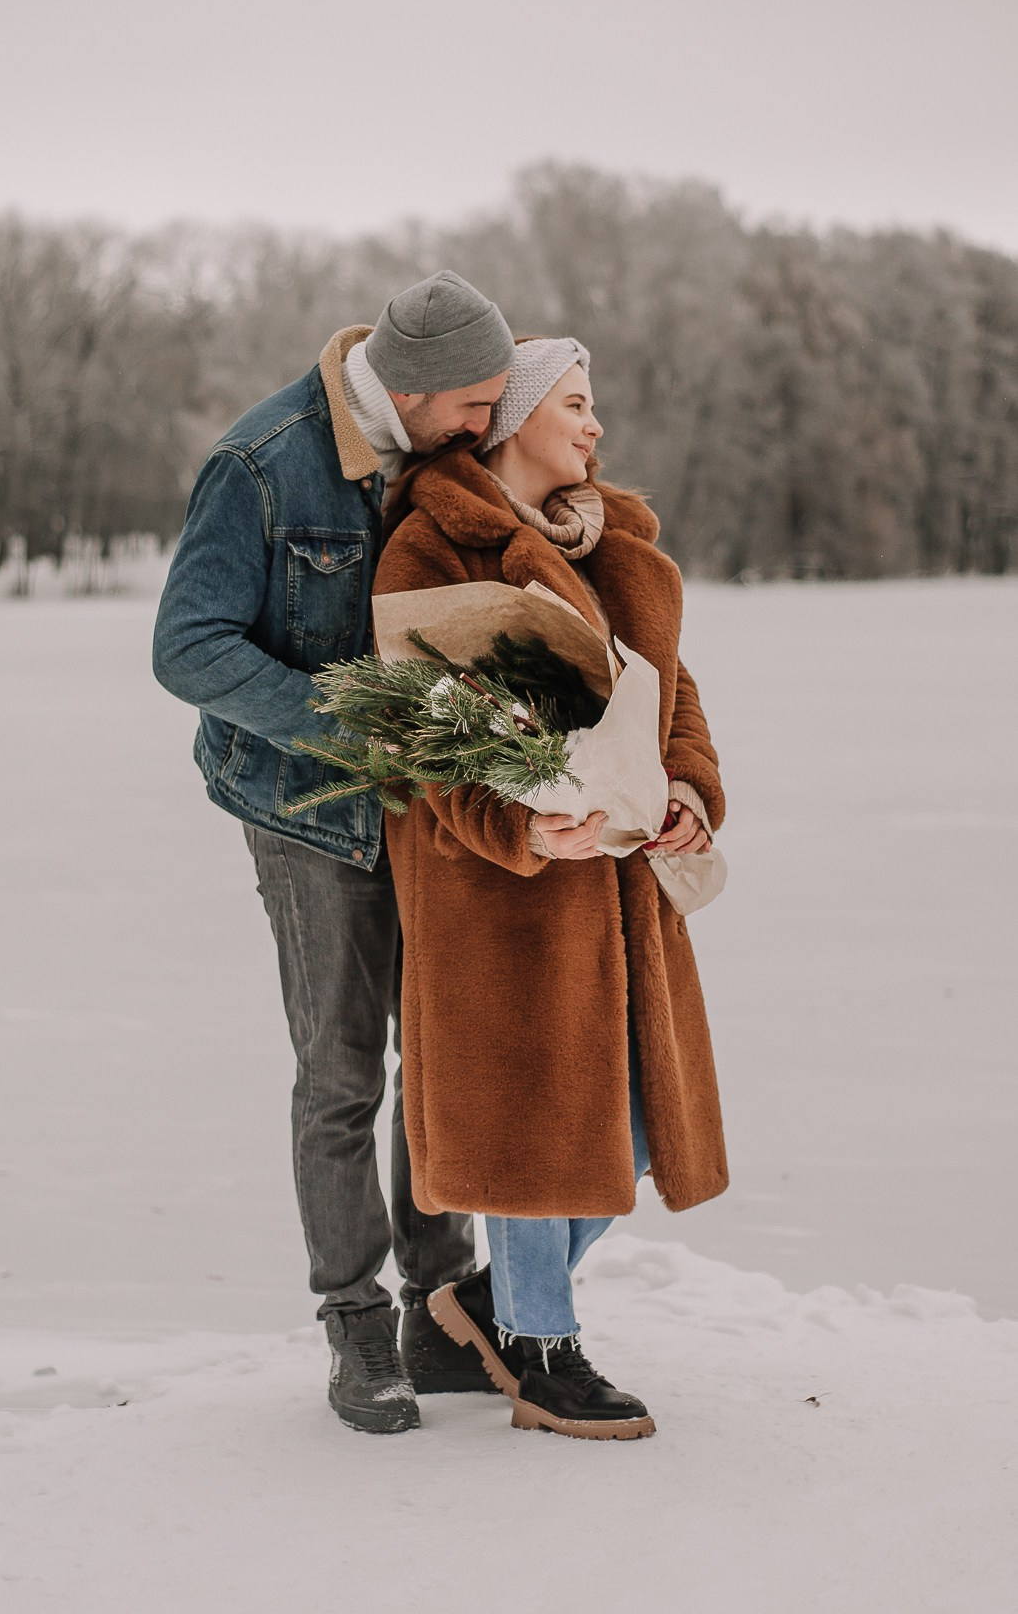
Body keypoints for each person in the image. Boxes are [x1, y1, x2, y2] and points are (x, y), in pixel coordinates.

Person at [152, 272, 515, 1433]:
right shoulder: (261, 465)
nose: (484, 426)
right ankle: (355, 1321)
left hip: (426, 816)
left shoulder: (439, 452)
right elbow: (187, 647)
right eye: (470, 404)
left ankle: (442, 1304)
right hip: (305, 814)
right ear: (406, 391)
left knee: (440, 1061)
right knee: (341, 1073)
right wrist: (352, 718)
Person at [374, 336, 729, 1441]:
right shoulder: (430, 555)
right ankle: (539, 1345)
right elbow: (421, 743)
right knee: (535, 1118)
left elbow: (677, 697)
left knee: (621, 1128)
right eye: (573, 404)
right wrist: (523, 827)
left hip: (618, 881)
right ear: (513, 417)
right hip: (497, 891)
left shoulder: (612, 546)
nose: (594, 425)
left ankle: (488, 1302)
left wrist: (687, 788)